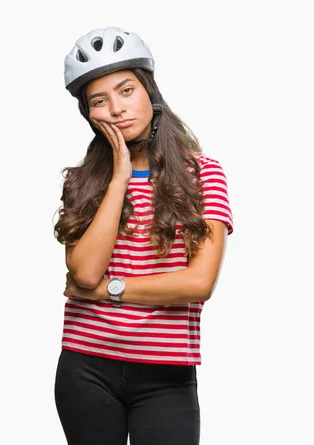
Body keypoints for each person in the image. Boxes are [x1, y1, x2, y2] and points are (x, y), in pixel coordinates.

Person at [53, 26, 234, 445]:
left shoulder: (203, 174)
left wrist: (107, 291)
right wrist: (118, 178)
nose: (116, 108)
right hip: (86, 367)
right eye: (100, 101)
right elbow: (83, 274)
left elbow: (197, 283)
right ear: (89, 115)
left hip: (165, 374)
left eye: (126, 90)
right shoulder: (82, 182)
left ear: (149, 91)